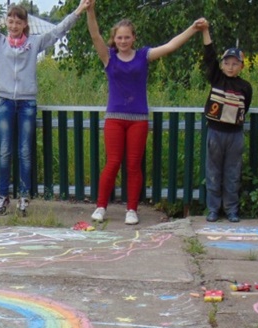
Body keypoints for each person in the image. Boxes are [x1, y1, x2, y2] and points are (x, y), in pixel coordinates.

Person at [87, 2, 204, 225]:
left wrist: (193, 28)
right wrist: (90, 10)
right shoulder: (109, 57)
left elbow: (170, 46)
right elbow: (94, 35)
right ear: (114, 39)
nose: (123, 41)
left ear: (133, 38)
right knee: (113, 163)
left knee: (133, 165)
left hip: (138, 120)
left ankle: (132, 209)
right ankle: (101, 207)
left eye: (127, 37)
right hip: (114, 118)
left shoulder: (143, 55)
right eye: (119, 38)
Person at [0, 0, 91, 216]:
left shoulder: (34, 43)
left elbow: (58, 31)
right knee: (4, 151)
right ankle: (2, 197)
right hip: (5, 101)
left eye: (18, 22)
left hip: (27, 103)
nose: (13, 26)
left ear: (24, 24)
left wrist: (78, 10)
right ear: (6, 23)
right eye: (10, 21)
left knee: (24, 152)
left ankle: (23, 197)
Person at [198, 21, 252, 223]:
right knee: (213, 172)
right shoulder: (216, 78)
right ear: (222, 65)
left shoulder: (245, 87)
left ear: (241, 66)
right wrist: (205, 31)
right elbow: (209, 55)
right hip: (215, 132)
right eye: (227, 63)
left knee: (232, 173)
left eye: (235, 64)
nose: (230, 67)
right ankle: (213, 209)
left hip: (235, 135)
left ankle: (231, 209)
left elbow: (245, 107)